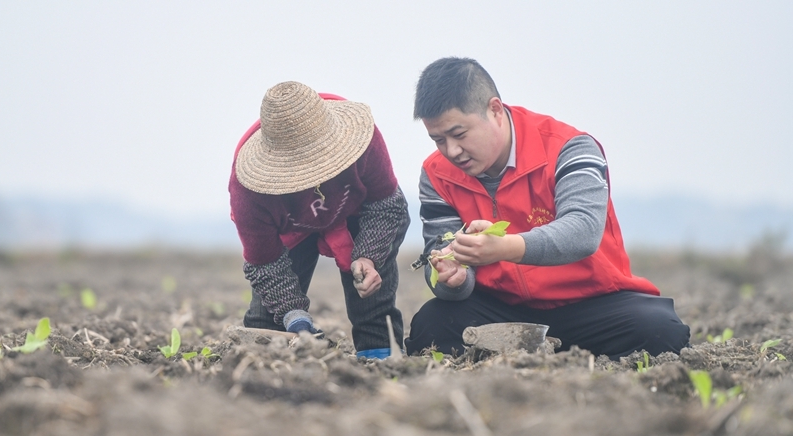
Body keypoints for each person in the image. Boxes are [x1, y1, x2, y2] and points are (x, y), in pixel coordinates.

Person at [404, 57, 690, 359]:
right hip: (505, 310)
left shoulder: (569, 148)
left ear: (495, 110)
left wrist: (504, 247)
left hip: (591, 304)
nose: (452, 151)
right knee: (431, 326)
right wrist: (455, 279)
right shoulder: (437, 174)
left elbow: (583, 231)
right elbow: (439, 254)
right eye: (438, 140)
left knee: (659, 330)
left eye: (459, 135)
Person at [229, 81, 410, 359]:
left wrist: (369, 256)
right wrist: (295, 317)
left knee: (371, 301)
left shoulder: (364, 141)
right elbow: (264, 262)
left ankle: (381, 357)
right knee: (265, 327)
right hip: (292, 229)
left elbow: (387, 205)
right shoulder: (250, 193)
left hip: (357, 213)